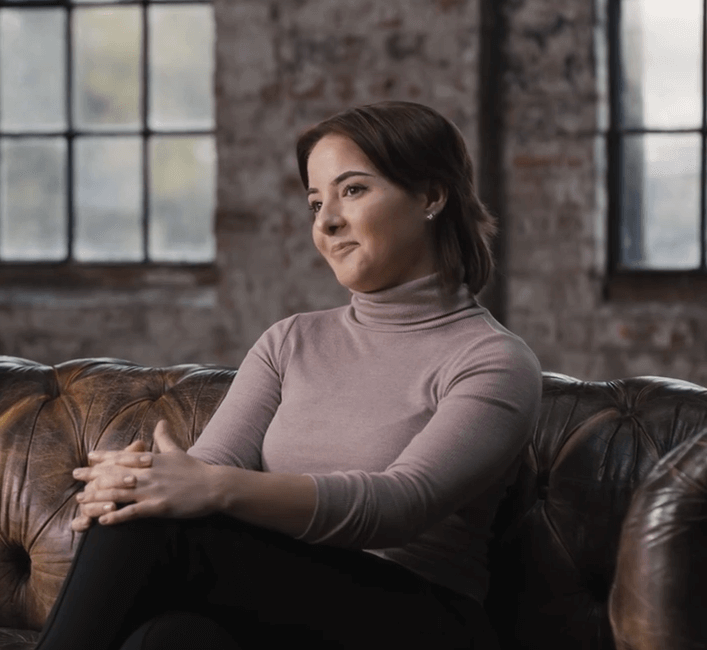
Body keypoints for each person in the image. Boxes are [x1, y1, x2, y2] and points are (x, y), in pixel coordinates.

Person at [35, 101, 541, 650]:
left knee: (151, 522)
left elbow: (401, 505)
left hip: (422, 619)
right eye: (316, 201)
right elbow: (204, 473)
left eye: (353, 190)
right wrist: (135, 484)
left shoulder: (493, 361)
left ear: (432, 196)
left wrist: (200, 488)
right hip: (285, 610)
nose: (326, 221)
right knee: (170, 638)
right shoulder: (290, 340)